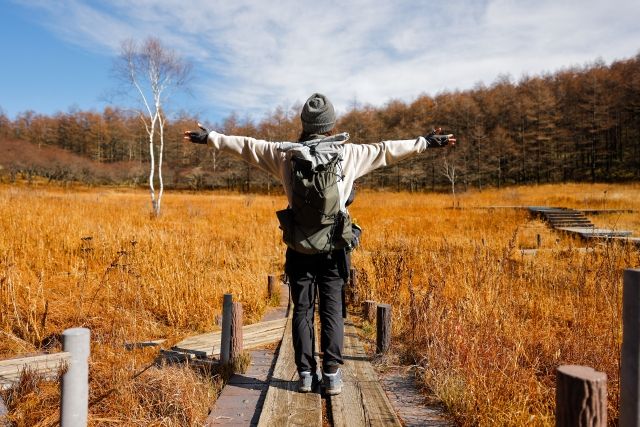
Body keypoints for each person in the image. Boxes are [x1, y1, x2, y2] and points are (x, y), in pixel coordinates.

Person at [184, 93, 454, 395]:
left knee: (301, 310)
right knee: (332, 309)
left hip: (299, 246)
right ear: (330, 124)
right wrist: (426, 142)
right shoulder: (349, 154)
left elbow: (246, 146)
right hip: (335, 247)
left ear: (304, 123)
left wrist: (210, 138)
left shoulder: (284, 153)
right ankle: (331, 375)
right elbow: (387, 150)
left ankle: (304, 375)